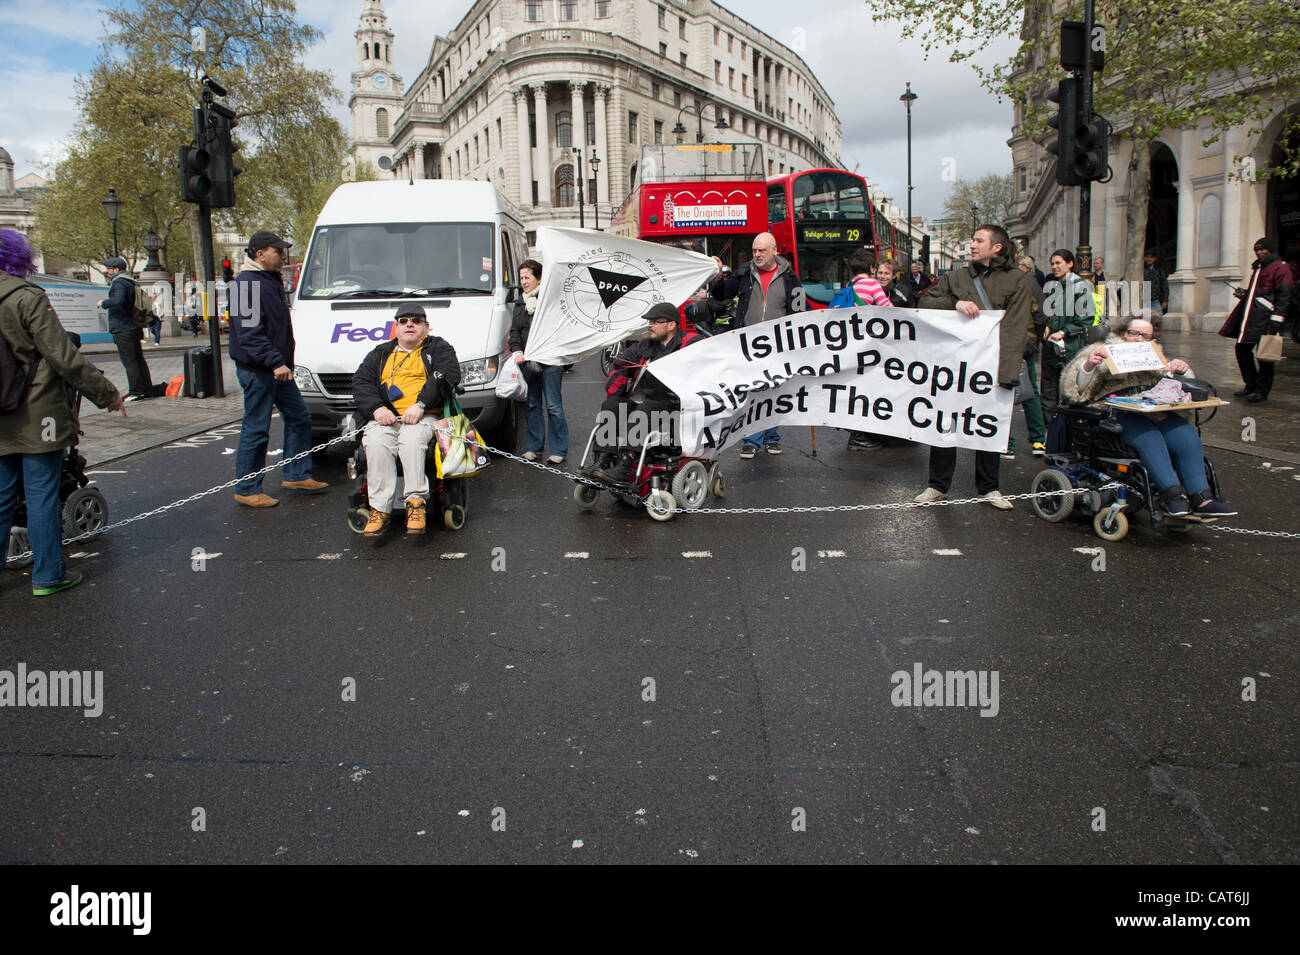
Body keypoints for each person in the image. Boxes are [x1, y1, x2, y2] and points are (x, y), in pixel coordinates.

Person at [1, 230, 126, 595]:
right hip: (37, 408)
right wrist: (107, 394)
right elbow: (63, 357)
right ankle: (48, 575)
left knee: (2, 494)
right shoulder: (27, 298)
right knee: (41, 493)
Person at [1063, 315, 1235, 519]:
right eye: (1133, 333)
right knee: (1149, 438)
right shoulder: (1100, 352)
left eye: (1145, 335)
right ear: (1122, 333)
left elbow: (1173, 386)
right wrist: (1089, 366)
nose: (1138, 339)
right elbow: (1073, 391)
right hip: (1117, 413)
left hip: (1153, 409)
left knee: (1186, 435)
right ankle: (1173, 496)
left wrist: (1180, 370)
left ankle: (1202, 498)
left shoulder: (1155, 357)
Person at [914, 224, 1033, 510]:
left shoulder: (1017, 280)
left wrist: (1006, 373)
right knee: (945, 423)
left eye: (979, 240)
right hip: (954, 365)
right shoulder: (955, 277)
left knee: (987, 425)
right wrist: (955, 302)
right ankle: (938, 486)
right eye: (972, 240)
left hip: (992, 366)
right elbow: (925, 301)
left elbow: (1016, 328)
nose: (972, 245)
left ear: (997, 247)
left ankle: (989, 488)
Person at [228, 230, 327, 507]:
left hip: (277, 368)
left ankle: (296, 473)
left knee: (299, 416)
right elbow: (248, 334)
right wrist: (275, 361)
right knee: (256, 427)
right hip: (260, 369)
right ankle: (247, 488)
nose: (283, 257)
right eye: (278, 251)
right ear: (260, 254)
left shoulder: (267, 280)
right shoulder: (244, 285)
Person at [352, 303, 461, 537]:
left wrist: (421, 404)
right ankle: (379, 509)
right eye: (404, 321)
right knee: (376, 442)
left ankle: (416, 503)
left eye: (416, 321)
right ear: (396, 327)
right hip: (387, 417)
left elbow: (447, 375)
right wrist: (377, 409)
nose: (409, 324)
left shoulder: (439, 348)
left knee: (411, 439)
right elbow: (361, 383)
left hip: (426, 414)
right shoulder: (380, 353)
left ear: (426, 327)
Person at [708, 231, 807, 458]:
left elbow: (800, 313)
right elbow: (722, 294)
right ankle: (752, 441)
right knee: (752, 393)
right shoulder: (745, 273)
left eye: (762, 250)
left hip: (777, 346)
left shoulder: (790, 278)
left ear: (774, 250)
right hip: (748, 346)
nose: (757, 254)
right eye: (754, 250)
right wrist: (717, 275)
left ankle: (771, 438)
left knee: (773, 393)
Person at [586, 302, 699, 486]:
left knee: (646, 409)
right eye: (649, 321)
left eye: (655, 322)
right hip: (646, 400)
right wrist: (625, 366)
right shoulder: (645, 345)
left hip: (675, 405)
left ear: (671, 325)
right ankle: (603, 461)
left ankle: (625, 464)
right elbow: (622, 361)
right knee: (612, 404)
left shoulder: (689, 343)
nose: (650, 325)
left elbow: (708, 355)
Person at [830, 249, 892, 451]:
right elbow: (889, 310)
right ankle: (860, 435)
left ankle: (855, 430)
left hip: (847, 347)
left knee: (852, 388)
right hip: (866, 348)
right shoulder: (872, 284)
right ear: (872, 268)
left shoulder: (848, 286)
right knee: (867, 389)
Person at [508, 258, 567, 464]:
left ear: (539, 279)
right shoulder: (520, 302)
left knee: (553, 406)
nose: (523, 281)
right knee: (532, 404)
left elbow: (558, 330)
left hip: (550, 360)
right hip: (528, 362)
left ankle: (559, 450)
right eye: (521, 277)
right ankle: (534, 448)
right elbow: (515, 330)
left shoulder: (549, 300)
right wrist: (516, 350)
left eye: (527, 277)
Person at [1220, 237, 1293, 403]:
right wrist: (1245, 295)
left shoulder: (1281, 268)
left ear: (1271, 250)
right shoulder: (1260, 267)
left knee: (1265, 357)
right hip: (1252, 318)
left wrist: (1276, 320)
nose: (1259, 252)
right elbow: (1259, 294)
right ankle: (1251, 383)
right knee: (1242, 349)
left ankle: (1262, 390)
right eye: (1257, 250)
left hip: (1267, 320)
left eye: (1262, 249)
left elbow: (1284, 295)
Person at [1039, 248, 1094, 418]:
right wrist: (1046, 325)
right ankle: (1049, 426)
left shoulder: (1080, 286)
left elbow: (1086, 317)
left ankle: (1065, 427)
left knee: (1067, 387)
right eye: (1052, 264)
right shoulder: (1052, 286)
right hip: (1050, 345)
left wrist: (1063, 332)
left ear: (1070, 264)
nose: (1054, 267)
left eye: (1058, 263)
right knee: (1048, 389)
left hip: (1069, 346)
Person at [98, 256, 155, 400]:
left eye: (109, 269)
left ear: (116, 269)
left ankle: (136, 391)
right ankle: (146, 388)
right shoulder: (130, 281)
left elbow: (118, 300)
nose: (108, 271)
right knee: (138, 359)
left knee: (129, 361)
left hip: (123, 327)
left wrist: (103, 303)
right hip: (133, 326)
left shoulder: (120, 283)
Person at [1012, 256, 1048, 458]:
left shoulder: (998, 280)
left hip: (1006, 345)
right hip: (1025, 344)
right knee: (1030, 391)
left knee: (1001, 394)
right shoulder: (1029, 282)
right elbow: (1042, 316)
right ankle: (1038, 440)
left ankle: (1006, 443)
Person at [1143, 250, 1169, 315]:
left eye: (1151, 257)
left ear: (1154, 259)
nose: (1149, 259)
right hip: (1144, 301)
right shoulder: (1141, 271)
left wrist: (1165, 300)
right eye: (1147, 257)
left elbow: (1164, 286)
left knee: (1158, 319)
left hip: (1155, 300)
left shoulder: (1159, 271)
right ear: (1144, 258)